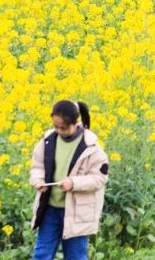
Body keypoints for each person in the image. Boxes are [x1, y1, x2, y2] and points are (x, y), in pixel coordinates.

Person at [30, 101, 109, 260]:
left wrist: (74, 183)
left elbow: (99, 179)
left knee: (75, 256)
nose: (58, 131)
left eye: (63, 128)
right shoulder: (48, 140)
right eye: (56, 126)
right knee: (41, 255)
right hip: (50, 210)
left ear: (76, 123)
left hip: (77, 213)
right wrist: (38, 180)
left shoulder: (91, 147)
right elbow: (37, 166)